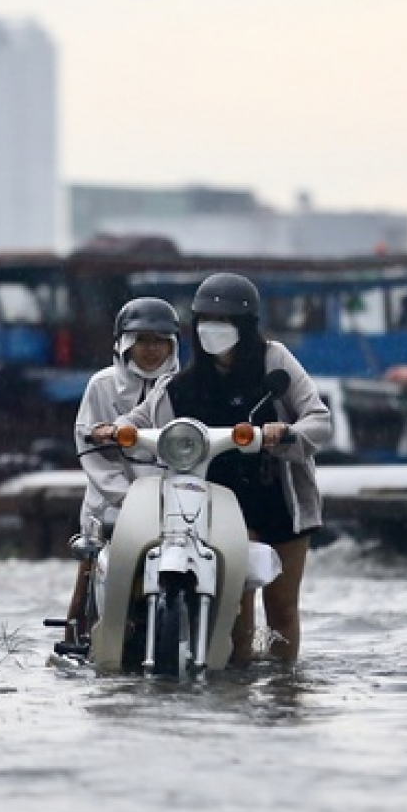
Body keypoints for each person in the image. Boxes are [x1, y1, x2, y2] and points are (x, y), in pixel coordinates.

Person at [91, 272, 331, 664]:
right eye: (203, 321)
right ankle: (235, 687)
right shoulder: (183, 384)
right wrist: (114, 431)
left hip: (279, 497)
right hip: (220, 502)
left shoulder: (276, 361)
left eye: (223, 322)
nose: (211, 331)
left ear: (246, 326)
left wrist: (282, 433)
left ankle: (285, 693)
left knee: (282, 606)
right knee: (235, 607)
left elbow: (319, 420)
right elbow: (140, 418)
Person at [60, 297, 184, 643]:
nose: (151, 350)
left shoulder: (183, 386)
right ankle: (76, 636)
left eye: (160, 341)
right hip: (111, 499)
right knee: (88, 572)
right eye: (142, 340)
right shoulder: (102, 385)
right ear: (124, 344)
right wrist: (126, 496)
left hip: (170, 502)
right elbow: (90, 448)